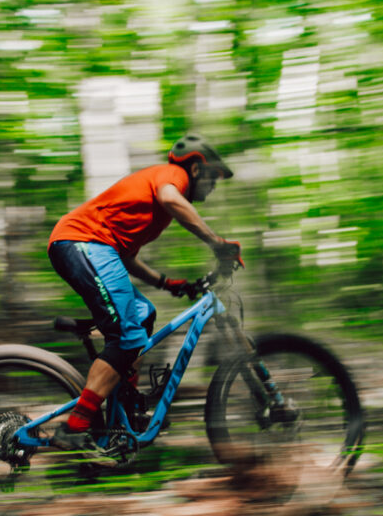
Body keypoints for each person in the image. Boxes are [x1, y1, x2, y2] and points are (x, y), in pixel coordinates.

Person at [47, 133, 242, 451]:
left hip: (94, 247)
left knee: (143, 314)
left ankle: (125, 403)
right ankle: (74, 427)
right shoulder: (172, 177)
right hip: (81, 241)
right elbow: (171, 199)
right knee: (127, 337)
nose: (214, 185)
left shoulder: (153, 212)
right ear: (195, 169)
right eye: (213, 178)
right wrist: (217, 244)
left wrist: (167, 283)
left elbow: (126, 258)